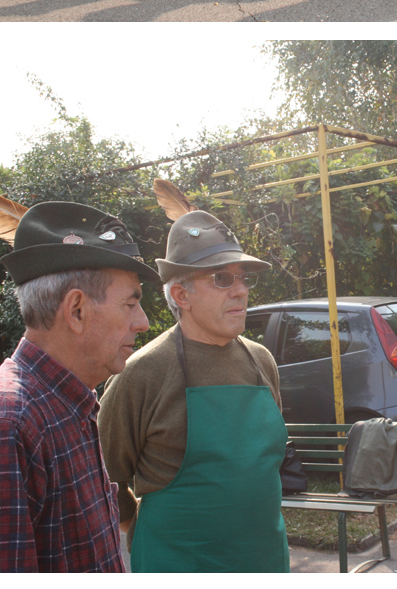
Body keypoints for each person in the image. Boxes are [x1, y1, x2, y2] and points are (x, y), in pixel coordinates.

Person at [0, 201, 158, 572]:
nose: (144, 322)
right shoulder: (2, 423)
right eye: (131, 304)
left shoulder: (69, 403)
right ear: (76, 310)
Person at [100, 211, 287, 571]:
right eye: (222, 278)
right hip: (176, 561)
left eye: (243, 278)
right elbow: (104, 478)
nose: (241, 290)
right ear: (181, 295)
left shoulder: (261, 361)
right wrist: (136, 525)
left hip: (263, 558)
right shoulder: (141, 373)